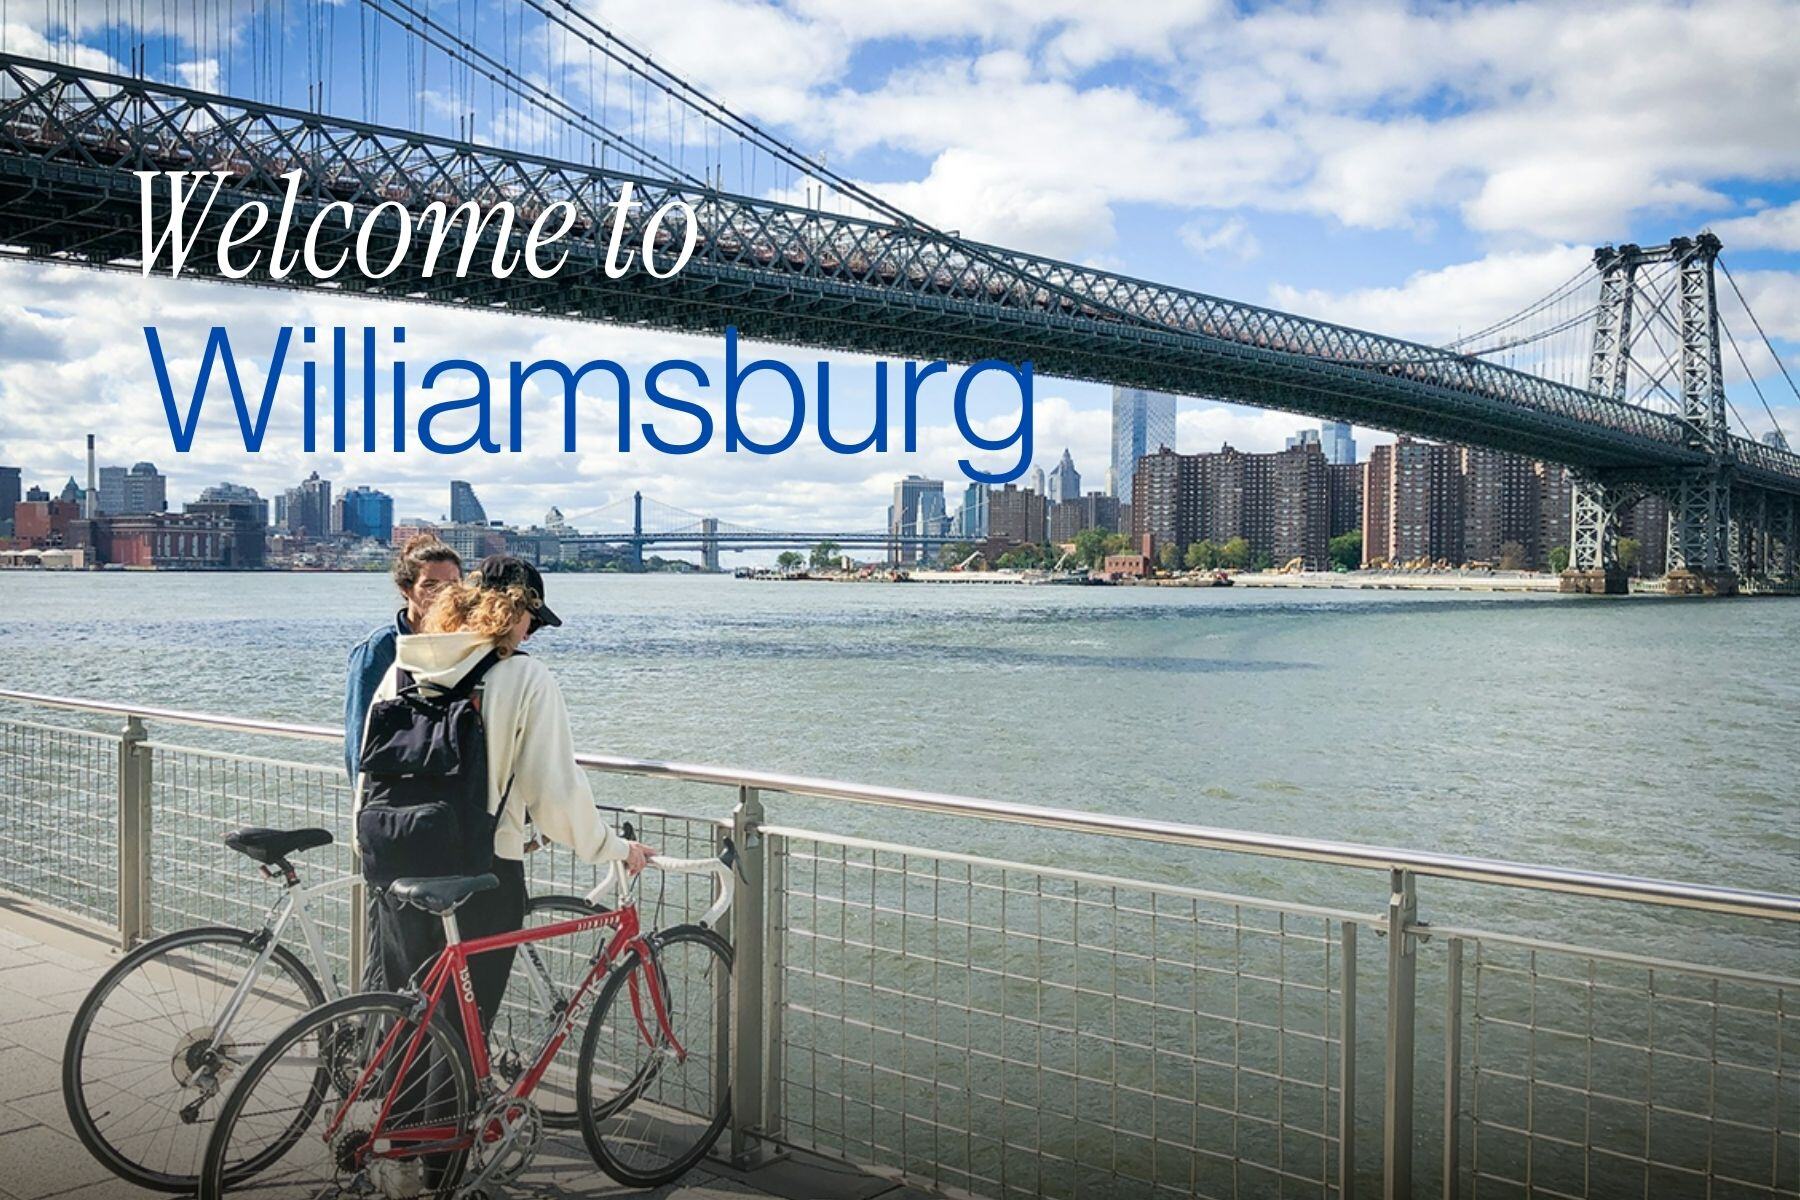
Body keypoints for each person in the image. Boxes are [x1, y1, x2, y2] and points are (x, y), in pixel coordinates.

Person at [356, 555, 653, 1034]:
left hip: (395, 857)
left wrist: (366, 843)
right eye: (533, 621)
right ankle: (450, 1112)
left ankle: (396, 1111)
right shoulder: (524, 676)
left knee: (404, 1026)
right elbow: (555, 792)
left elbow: (370, 772)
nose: (531, 635)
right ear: (514, 611)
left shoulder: (404, 666)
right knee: (462, 1030)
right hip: (481, 872)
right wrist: (614, 848)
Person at [344, 534, 463, 780]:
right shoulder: (380, 648)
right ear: (406, 589)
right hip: (396, 795)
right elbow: (359, 736)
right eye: (431, 585)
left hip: (451, 794)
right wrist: (365, 806)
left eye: (453, 584)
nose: (444, 594)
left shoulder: (463, 645)